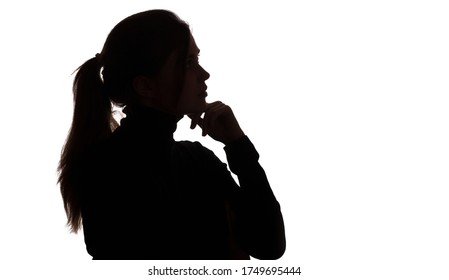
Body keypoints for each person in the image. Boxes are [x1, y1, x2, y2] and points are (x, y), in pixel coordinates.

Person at [57, 9, 285, 260]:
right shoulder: (104, 169)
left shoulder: (199, 160)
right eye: (188, 63)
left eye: (197, 59)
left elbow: (268, 246)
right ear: (145, 86)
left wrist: (237, 145)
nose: (204, 74)